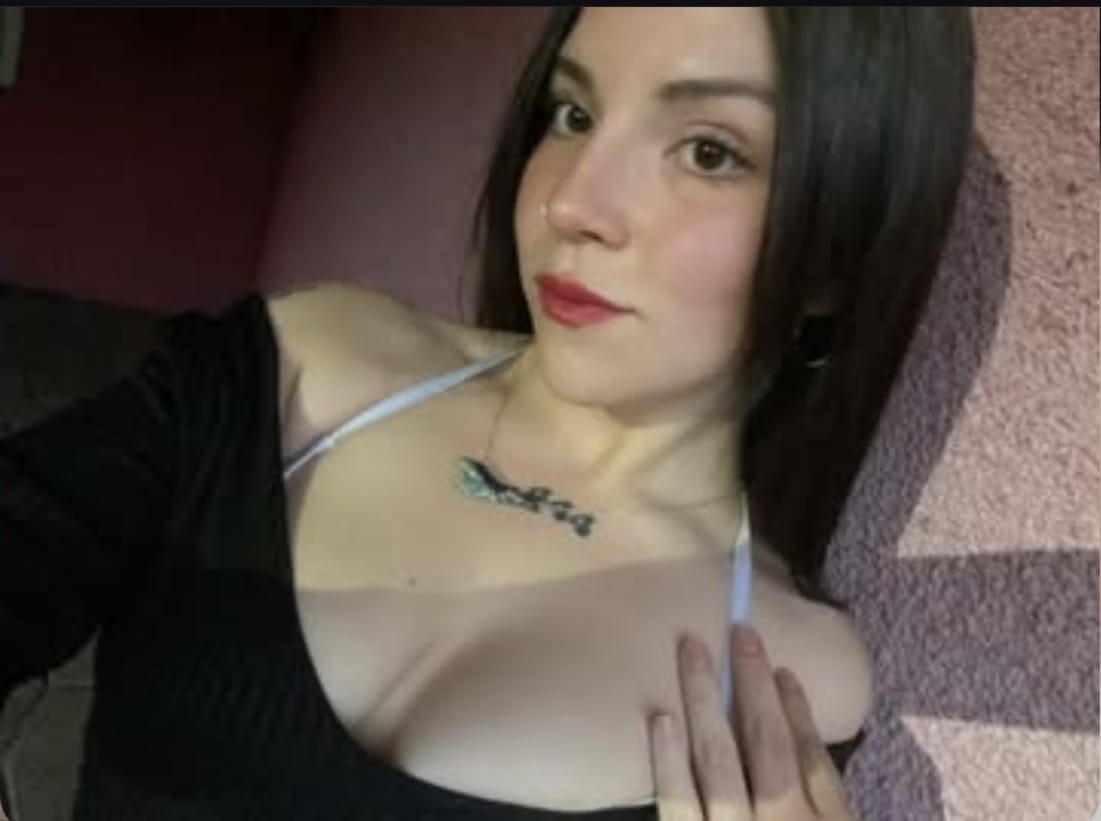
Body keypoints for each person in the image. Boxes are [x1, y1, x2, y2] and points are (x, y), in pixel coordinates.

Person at [0, 6, 974, 820]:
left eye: (708, 151)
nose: (571, 202)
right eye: (572, 112)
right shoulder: (307, 372)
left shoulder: (790, 674)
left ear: (836, 257)